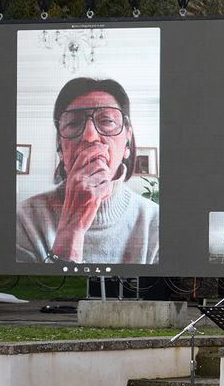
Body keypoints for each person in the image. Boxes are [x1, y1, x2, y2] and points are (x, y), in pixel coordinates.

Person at [16, 77, 159, 264]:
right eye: (74, 123)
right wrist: (72, 229)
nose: (90, 136)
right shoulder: (25, 218)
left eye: (107, 120)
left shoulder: (156, 222)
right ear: (60, 147)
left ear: (127, 142)